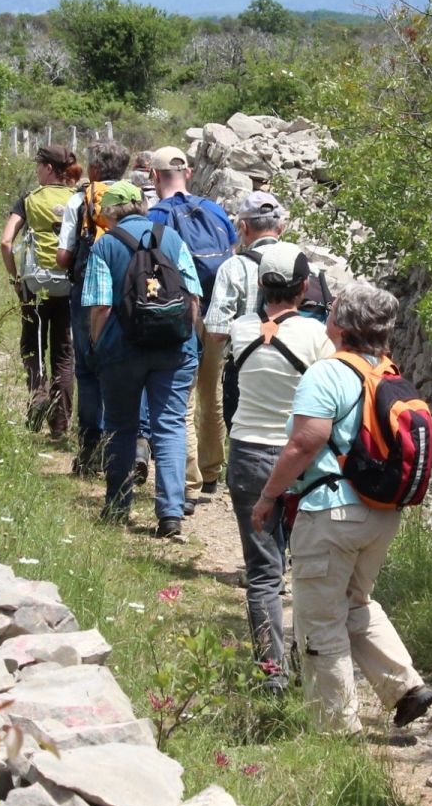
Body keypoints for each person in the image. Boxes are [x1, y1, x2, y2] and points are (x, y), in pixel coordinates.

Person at [249, 281, 432, 734]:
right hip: (380, 514)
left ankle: (335, 729)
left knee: (318, 620)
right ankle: (406, 687)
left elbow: (304, 442)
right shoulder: (388, 373)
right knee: (355, 601)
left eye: (332, 310)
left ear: (342, 324)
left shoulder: (327, 373)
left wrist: (269, 496)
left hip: (330, 512)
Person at [225, 242, 332, 691]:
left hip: (248, 454)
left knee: (264, 573)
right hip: (300, 459)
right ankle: (313, 667)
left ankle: (270, 672)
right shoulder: (315, 337)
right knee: (308, 568)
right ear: (304, 287)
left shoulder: (240, 328)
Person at [81, 179, 202, 537]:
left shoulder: (105, 246)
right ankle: (170, 515)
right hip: (174, 349)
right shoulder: (172, 239)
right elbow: (193, 299)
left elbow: (100, 307)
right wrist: (188, 341)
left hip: (122, 349)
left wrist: (98, 346)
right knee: (170, 425)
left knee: (120, 426)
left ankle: (117, 507)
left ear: (110, 212)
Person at [148, 146, 236, 500]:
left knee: (178, 396)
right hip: (217, 312)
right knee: (210, 390)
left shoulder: (156, 214)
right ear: (188, 171)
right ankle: (213, 469)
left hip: (179, 312)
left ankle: (188, 479)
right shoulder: (214, 210)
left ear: (155, 177)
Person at [58, 141, 131, 476]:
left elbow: (64, 255)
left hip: (88, 293)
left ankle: (89, 452)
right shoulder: (137, 199)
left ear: (95, 170)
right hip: (133, 293)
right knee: (130, 370)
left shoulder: (79, 200)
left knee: (88, 372)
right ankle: (127, 450)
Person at [0, 143, 76, 441]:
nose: (36, 170)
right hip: (68, 284)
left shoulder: (29, 199)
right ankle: (60, 426)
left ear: (47, 168)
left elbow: (6, 242)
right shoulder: (77, 199)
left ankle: (38, 396)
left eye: (38, 165)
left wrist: (15, 279)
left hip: (34, 283)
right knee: (63, 353)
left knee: (32, 344)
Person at [204, 190, 287, 428]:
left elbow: (217, 332)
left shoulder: (233, 267)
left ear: (243, 226)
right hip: (292, 367)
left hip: (245, 368)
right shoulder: (302, 263)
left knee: (245, 439)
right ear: (280, 227)